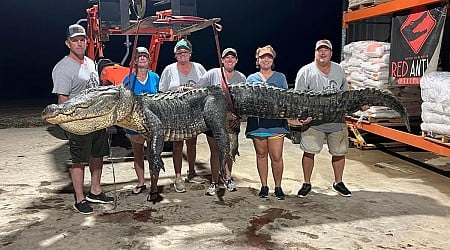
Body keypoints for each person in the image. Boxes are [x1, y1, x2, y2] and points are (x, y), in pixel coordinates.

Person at [51, 24, 114, 214]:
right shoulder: (63, 68)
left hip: (96, 120)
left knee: (98, 154)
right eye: (75, 40)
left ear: (86, 42)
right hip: (79, 123)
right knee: (79, 160)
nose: (79, 43)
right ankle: (79, 198)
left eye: (82, 40)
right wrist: (70, 125)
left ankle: (95, 190)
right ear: (67, 43)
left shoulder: (89, 62)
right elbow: (63, 100)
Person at [293, 39, 352, 198]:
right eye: (320, 50)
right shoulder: (306, 71)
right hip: (314, 122)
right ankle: (306, 183)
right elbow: (298, 97)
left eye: (326, 50)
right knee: (309, 151)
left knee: (339, 152)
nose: (323, 52)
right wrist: (302, 117)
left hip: (336, 120)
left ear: (331, 53)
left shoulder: (339, 70)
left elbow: (345, 94)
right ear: (315, 52)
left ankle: (338, 182)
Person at [159, 39, 207, 193]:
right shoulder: (169, 69)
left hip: (194, 113)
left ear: (190, 53)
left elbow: (207, 88)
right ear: (175, 55)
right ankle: (178, 176)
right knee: (178, 145)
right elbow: (161, 91)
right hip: (176, 114)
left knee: (192, 143)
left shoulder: (199, 68)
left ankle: (191, 172)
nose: (182, 54)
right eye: (179, 52)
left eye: (185, 52)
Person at [197, 48, 246, 196]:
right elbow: (199, 90)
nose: (230, 60)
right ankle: (214, 181)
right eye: (227, 58)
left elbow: (244, 101)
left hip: (231, 121)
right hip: (213, 121)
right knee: (215, 151)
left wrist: (240, 117)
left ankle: (228, 178)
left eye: (232, 58)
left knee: (230, 151)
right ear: (222, 60)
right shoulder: (212, 73)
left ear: (236, 60)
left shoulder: (241, 77)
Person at [245, 45, 289, 200]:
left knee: (276, 156)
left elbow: (286, 100)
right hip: (258, 125)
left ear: (273, 59)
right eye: (263, 57)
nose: (266, 59)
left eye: (269, 56)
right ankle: (264, 186)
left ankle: (278, 186)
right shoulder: (251, 79)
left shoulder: (280, 77)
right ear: (258, 60)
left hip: (276, 124)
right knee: (261, 155)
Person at [122, 47, 161, 202]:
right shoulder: (128, 80)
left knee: (153, 154)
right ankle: (141, 182)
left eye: (145, 56)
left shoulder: (155, 77)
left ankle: (154, 185)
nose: (142, 58)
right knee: (138, 153)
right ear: (135, 61)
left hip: (152, 123)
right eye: (139, 56)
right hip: (135, 123)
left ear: (149, 59)